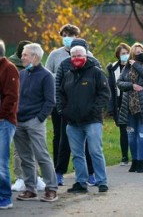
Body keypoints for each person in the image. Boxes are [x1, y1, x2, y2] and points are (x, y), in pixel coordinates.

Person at [57, 45, 110, 193]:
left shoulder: (96, 73)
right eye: (73, 56)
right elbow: (61, 94)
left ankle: (102, 182)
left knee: (95, 151)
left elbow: (105, 94)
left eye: (79, 55)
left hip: (92, 121)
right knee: (77, 154)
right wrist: (63, 111)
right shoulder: (68, 75)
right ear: (70, 58)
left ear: (86, 56)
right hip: (72, 123)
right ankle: (81, 182)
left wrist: (94, 109)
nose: (76, 58)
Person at [14, 43, 58, 202]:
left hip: (35, 121)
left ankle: (51, 189)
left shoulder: (46, 76)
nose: (22, 57)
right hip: (19, 121)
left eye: (25, 55)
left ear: (35, 57)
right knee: (25, 157)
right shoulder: (22, 75)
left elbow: (50, 101)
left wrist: (39, 118)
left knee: (42, 155)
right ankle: (30, 189)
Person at [45, 24, 80, 186]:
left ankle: (82, 169)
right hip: (58, 100)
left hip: (79, 102)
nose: (68, 38)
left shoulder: (84, 54)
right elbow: (47, 75)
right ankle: (58, 170)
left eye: (71, 35)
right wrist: (61, 76)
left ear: (76, 36)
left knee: (80, 136)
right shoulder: (54, 55)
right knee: (59, 136)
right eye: (65, 35)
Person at [9, 40, 45, 192]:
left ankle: (34, 177)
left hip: (34, 111)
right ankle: (20, 177)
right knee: (20, 148)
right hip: (17, 111)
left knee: (37, 146)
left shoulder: (35, 68)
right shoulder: (11, 67)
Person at [117, 42, 143, 173]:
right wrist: (132, 86)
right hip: (129, 106)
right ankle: (134, 161)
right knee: (131, 135)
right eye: (136, 52)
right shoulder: (126, 68)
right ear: (132, 54)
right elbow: (119, 82)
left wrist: (136, 65)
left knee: (142, 135)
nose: (139, 53)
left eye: (141, 51)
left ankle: (141, 161)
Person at [0, 40, 19, 209]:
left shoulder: (9, 68)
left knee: (1, 161)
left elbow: (11, 97)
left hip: (4, 122)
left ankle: (5, 197)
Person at [107, 43, 131, 166]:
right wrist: (110, 108)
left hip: (132, 101)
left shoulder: (134, 66)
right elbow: (110, 89)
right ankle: (124, 156)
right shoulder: (113, 69)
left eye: (127, 53)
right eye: (123, 54)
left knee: (133, 129)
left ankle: (138, 155)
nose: (125, 56)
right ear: (118, 55)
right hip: (119, 102)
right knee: (123, 130)